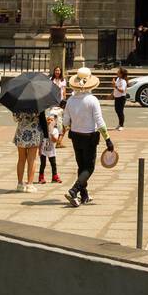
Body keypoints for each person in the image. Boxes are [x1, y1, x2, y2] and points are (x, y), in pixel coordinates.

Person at [62, 67, 115, 205]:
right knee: (89, 167)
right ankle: (74, 190)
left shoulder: (71, 100)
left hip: (75, 136)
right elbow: (100, 121)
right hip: (89, 136)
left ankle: (84, 195)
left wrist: (74, 119)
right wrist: (108, 139)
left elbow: (65, 122)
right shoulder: (92, 100)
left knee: (81, 165)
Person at [11, 105, 45, 192]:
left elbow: (15, 119)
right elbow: (42, 119)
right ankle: (30, 184)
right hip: (34, 132)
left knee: (21, 159)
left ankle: (20, 184)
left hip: (21, 132)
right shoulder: (38, 104)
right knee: (32, 159)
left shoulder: (18, 104)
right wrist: (46, 136)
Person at [38, 105, 63, 184]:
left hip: (51, 150)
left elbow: (55, 140)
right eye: (48, 120)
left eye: (51, 120)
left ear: (54, 121)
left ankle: (55, 176)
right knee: (43, 164)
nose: (49, 121)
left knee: (53, 163)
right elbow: (40, 140)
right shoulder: (43, 130)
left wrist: (51, 134)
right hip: (43, 150)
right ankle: (41, 177)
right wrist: (39, 149)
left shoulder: (55, 130)